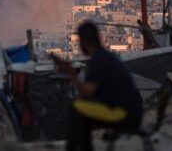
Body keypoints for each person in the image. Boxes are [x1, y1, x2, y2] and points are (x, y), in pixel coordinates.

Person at [51, 21, 143, 151]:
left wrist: (70, 73)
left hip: (123, 114)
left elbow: (86, 93)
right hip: (130, 112)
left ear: (82, 41)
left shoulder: (98, 60)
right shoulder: (104, 57)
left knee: (76, 109)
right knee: (81, 109)